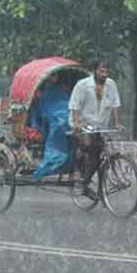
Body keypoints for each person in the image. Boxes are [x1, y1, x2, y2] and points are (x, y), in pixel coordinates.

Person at [68, 59, 123, 197]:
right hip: (82, 123)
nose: (104, 74)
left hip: (99, 125)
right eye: (101, 71)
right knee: (87, 144)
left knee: (98, 154)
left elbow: (115, 104)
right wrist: (76, 123)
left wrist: (117, 123)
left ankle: (86, 181)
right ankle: (77, 171)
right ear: (94, 71)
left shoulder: (111, 85)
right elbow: (74, 105)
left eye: (106, 71)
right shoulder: (83, 85)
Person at [30, 74, 72, 180]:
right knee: (57, 130)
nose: (54, 77)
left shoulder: (61, 89)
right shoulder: (44, 89)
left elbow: (66, 102)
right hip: (53, 118)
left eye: (55, 76)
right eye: (52, 76)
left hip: (65, 116)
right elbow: (41, 109)